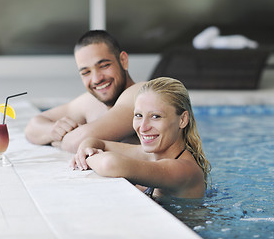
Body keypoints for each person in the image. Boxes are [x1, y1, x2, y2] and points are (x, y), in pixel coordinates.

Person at [71, 77, 211, 199]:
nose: (143, 127)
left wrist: (89, 158)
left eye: (156, 116)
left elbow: (110, 164)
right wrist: (85, 149)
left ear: (182, 120)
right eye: (138, 115)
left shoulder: (184, 170)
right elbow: (97, 142)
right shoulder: (152, 156)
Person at [25, 30, 145, 153]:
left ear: (123, 60)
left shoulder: (141, 94)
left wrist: (58, 142)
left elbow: (78, 141)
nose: (96, 79)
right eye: (86, 72)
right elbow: (32, 127)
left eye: (104, 65)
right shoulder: (91, 101)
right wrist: (53, 131)